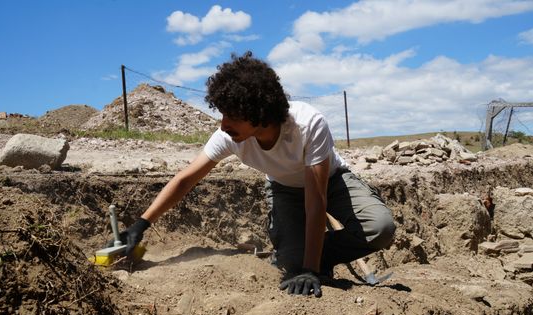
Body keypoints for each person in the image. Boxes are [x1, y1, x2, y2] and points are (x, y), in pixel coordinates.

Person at [116, 51, 395, 297]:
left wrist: (311, 269)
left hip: (331, 182)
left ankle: (316, 258)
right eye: (222, 114)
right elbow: (185, 179)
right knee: (291, 265)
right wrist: (141, 225)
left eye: (232, 116)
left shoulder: (308, 125)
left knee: (380, 228)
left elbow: (316, 200)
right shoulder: (229, 136)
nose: (223, 125)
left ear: (260, 113)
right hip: (283, 189)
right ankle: (297, 255)